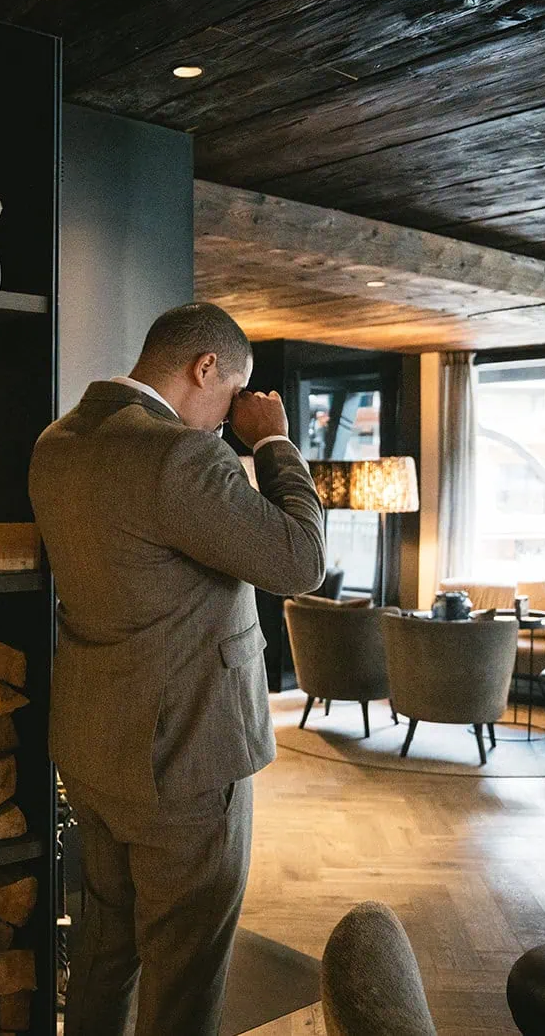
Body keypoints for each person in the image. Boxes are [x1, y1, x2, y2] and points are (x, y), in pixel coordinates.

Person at [29, 302, 325, 1035]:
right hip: (187, 758)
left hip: (95, 749)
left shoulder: (57, 442)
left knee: (106, 946)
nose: (231, 417)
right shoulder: (179, 455)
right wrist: (276, 441)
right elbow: (302, 560)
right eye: (233, 396)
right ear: (205, 369)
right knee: (185, 975)